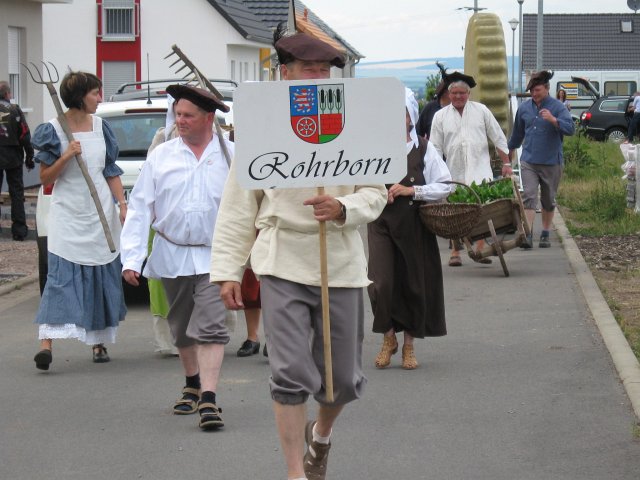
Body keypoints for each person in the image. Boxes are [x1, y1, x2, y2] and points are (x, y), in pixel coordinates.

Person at [210, 28, 387, 480]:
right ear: (284, 73)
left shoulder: (357, 123)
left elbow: (376, 192)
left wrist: (344, 206)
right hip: (282, 258)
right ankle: (295, 473)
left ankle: (320, 437)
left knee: (342, 381)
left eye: (323, 70)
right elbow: (237, 205)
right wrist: (229, 269)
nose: (317, 77)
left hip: (342, 262)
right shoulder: (262, 126)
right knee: (289, 375)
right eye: (308, 70)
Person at [120, 84, 232, 431]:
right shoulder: (162, 157)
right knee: (181, 327)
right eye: (178, 115)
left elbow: (251, 207)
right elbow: (140, 209)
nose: (180, 121)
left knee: (212, 325)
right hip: (171, 255)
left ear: (209, 119)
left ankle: (210, 400)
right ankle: (192, 382)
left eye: (188, 116)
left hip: (216, 255)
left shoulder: (231, 155)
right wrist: (131, 258)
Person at [30, 71, 127, 370]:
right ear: (79, 96)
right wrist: (66, 155)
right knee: (60, 278)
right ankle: (46, 345)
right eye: (95, 93)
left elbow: (110, 170)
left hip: (99, 214)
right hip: (67, 215)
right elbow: (45, 177)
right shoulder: (53, 130)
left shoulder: (101, 127)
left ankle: (98, 343)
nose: (99, 98)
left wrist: (122, 205)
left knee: (99, 275)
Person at [369, 88, 450, 370]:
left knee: (414, 285)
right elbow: (359, 181)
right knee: (380, 284)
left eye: (401, 113)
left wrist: (411, 190)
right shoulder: (373, 149)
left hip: (413, 225)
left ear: (410, 117)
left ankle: (409, 345)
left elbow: (444, 186)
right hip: (380, 222)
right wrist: (379, 192)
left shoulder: (424, 149)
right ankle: (389, 338)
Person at [430, 71, 511, 267]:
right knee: (455, 215)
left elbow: (498, 138)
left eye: (462, 93)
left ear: (469, 94)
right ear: (449, 95)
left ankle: (480, 248)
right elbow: (434, 149)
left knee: (482, 211)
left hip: (480, 171)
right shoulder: (440, 117)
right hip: (453, 173)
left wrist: (507, 164)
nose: (458, 96)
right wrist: (434, 175)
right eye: (454, 93)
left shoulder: (481, 111)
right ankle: (456, 251)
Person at [508, 70, 575, 248]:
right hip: (529, 160)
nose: (534, 94)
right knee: (529, 196)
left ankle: (545, 232)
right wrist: (510, 154)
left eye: (537, 90)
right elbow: (517, 134)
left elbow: (570, 129)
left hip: (552, 161)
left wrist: (554, 120)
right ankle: (528, 235)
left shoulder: (558, 107)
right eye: (531, 91)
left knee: (548, 199)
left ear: (546, 88)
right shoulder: (524, 108)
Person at [0, 81, 35, 241]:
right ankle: (19, 230)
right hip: (13, 155)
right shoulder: (15, 110)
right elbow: (24, 135)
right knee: (16, 193)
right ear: (8, 94)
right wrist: (29, 156)